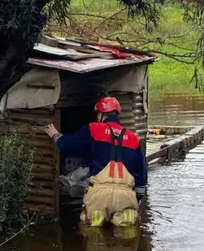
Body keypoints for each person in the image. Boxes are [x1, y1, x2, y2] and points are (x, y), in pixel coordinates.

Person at [44, 96, 147, 227]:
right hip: (126, 196)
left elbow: (68, 146)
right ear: (117, 114)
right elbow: (142, 179)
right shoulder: (134, 139)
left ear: (101, 114)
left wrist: (55, 135)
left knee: (93, 236)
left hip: (99, 195)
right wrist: (134, 199)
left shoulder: (93, 129)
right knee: (127, 238)